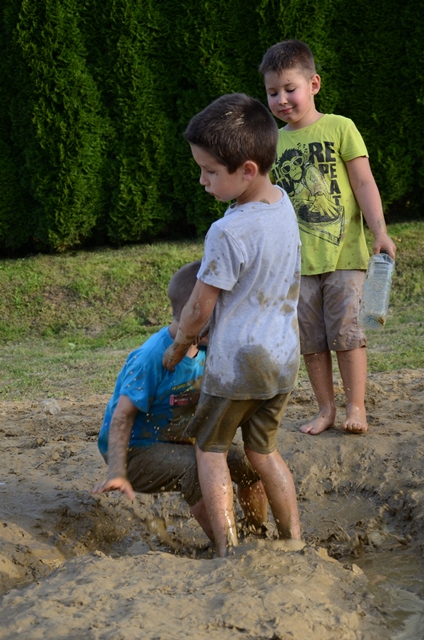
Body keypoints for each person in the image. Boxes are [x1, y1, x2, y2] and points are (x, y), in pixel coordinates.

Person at [162, 93, 302, 557]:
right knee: (264, 454)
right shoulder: (282, 204)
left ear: (246, 170)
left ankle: (226, 547)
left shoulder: (227, 231)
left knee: (210, 450)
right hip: (282, 361)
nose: (201, 181)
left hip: (238, 365)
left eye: (209, 171)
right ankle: (293, 541)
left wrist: (180, 346)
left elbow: (200, 308)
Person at [259, 39, 397, 436]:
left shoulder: (340, 127)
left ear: (314, 84)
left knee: (348, 333)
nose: (282, 99)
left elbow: (364, 181)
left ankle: (356, 407)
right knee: (311, 341)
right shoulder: (272, 143)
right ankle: (326, 409)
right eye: (272, 92)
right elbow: (266, 202)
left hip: (344, 258)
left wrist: (381, 232)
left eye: (290, 89)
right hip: (296, 265)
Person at [91, 260, 268, 545]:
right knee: (198, 469)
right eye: (217, 312)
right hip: (135, 452)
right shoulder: (150, 357)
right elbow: (122, 416)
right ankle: (230, 549)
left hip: (179, 439)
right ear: (193, 313)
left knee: (249, 467)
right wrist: (117, 471)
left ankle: (258, 537)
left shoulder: (210, 346)